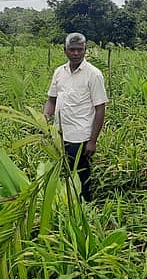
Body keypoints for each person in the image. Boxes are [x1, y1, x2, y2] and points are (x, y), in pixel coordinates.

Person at [43, 33, 107, 201]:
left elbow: (100, 109)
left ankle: (85, 207)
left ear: (85, 50)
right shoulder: (59, 72)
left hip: (81, 137)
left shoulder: (94, 74)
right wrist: (45, 119)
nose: (76, 53)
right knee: (63, 174)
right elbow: (51, 100)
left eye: (80, 49)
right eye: (72, 50)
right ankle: (67, 205)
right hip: (59, 135)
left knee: (81, 177)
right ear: (65, 50)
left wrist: (92, 141)